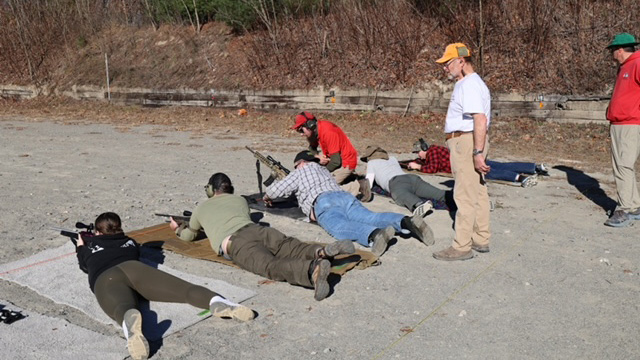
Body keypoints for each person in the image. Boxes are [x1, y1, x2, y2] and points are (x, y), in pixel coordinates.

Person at [77, 212, 255, 360]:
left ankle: (128, 324)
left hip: (105, 277)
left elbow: (84, 265)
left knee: (121, 306)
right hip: (135, 269)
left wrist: (80, 246)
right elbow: (127, 246)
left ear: (98, 233)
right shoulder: (130, 242)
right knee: (185, 290)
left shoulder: (89, 246)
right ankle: (215, 301)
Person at [170, 173, 355, 301]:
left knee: (270, 265)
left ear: (210, 190)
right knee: (292, 247)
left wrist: (177, 228)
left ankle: (312, 269)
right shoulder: (240, 200)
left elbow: (189, 236)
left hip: (236, 242)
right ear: (230, 188)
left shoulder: (201, 208)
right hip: (258, 230)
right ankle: (321, 251)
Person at [263, 151, 435, 257]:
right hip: (344, 196)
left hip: (323, 202)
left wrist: (267, 197)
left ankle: (374, 235)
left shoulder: (300, 172)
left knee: (339, 226)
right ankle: (407, 221)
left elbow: (274, 192)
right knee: (370, 216)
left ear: (300, 164)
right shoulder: (323, 170)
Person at [431, 43, 491, 261]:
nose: (445, 68)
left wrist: (476, 152)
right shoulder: (470, 83)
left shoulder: (469, 85)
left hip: (466, 142)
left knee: (464, 194)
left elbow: (480, 119)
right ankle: (481, 238)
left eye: (448, 63)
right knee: (478, 191)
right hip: (469, 141)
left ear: (461, 62)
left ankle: (462, 246)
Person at [291, 111, 371, 201]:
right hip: (335, 160)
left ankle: (359, 186)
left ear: (310, 125)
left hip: (346, 162)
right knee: (318, 179)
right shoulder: (316, 130)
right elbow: (312, 148)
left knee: (324, 187)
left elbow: (336, 162)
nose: (301, 134)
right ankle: (348, 178)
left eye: (301, 130)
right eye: (298, 131)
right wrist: (317, 156)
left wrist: (320, 172)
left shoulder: (328, 132)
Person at [405, 138, 549, 187]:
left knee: (490, 173)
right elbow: (426, 161)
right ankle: (534, 167)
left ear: (423, 149)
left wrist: (418, 166)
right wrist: (416, 162)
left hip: (465, 165)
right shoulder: (434, 150)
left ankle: (521, 178)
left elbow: (433, 169)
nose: (418, 155)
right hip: (469, 158)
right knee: (501, 165)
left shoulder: (433, 153)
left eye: (418, 152)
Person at [604, 33, 640, 227]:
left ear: (620, 50)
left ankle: (624, 209)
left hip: (629, 124)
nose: (612, 55)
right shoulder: (626, 66)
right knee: (623, 166)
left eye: (612, 51)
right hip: (620, 123)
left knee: (623, 166)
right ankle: (634, 205)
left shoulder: (636, 64)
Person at [360, 145, 455, 216]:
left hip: (396, 182)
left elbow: (369, 183)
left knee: (402, 195)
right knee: (439, 194)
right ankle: (458, 198)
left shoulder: (372, 162)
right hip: (412, 178)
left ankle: (418, 204)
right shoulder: (392, 158)